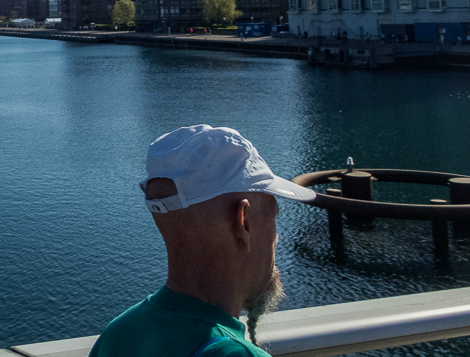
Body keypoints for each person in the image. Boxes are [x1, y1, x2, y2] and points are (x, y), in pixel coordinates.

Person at [89, 125, 316, 357]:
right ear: (243, 222)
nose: (277, 238)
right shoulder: (235, 354)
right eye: (273, 216)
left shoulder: (118, 335)